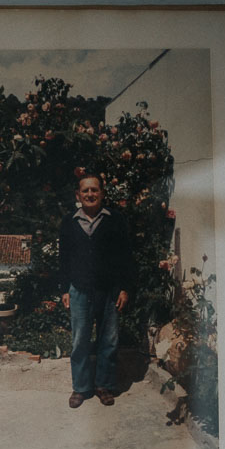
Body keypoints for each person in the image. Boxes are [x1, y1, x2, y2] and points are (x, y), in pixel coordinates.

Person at [58, 172, 135, 408]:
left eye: (94, 190)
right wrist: (64, 289)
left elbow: (126, 257)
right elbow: (63, 259)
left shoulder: (115, 220)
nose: (90, 194)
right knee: (80, 340)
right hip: (79, 289)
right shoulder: (69, 222)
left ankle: (104, 385)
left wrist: (125, 288)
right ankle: (81, 388)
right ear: (78, 195)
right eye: (85, 190)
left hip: (110, 290)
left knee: (108, 340)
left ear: (102, 193)